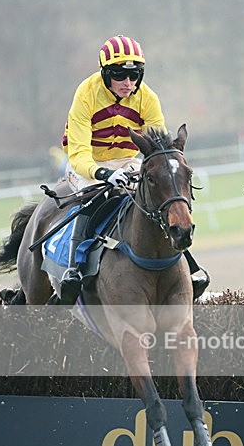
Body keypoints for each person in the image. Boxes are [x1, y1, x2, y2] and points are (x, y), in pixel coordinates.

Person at [58, 34, 209, 304]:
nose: (128, 83)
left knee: (154, 195)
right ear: (105, 75)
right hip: (88, 163)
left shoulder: (147, 97)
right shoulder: (86, 94)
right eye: (119, 75)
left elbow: (157, 146)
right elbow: (78, 153)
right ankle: (74, 269)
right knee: (96, 197)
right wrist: (103, 174)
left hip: (128, 161)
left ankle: (187, 260)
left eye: (135, 75)